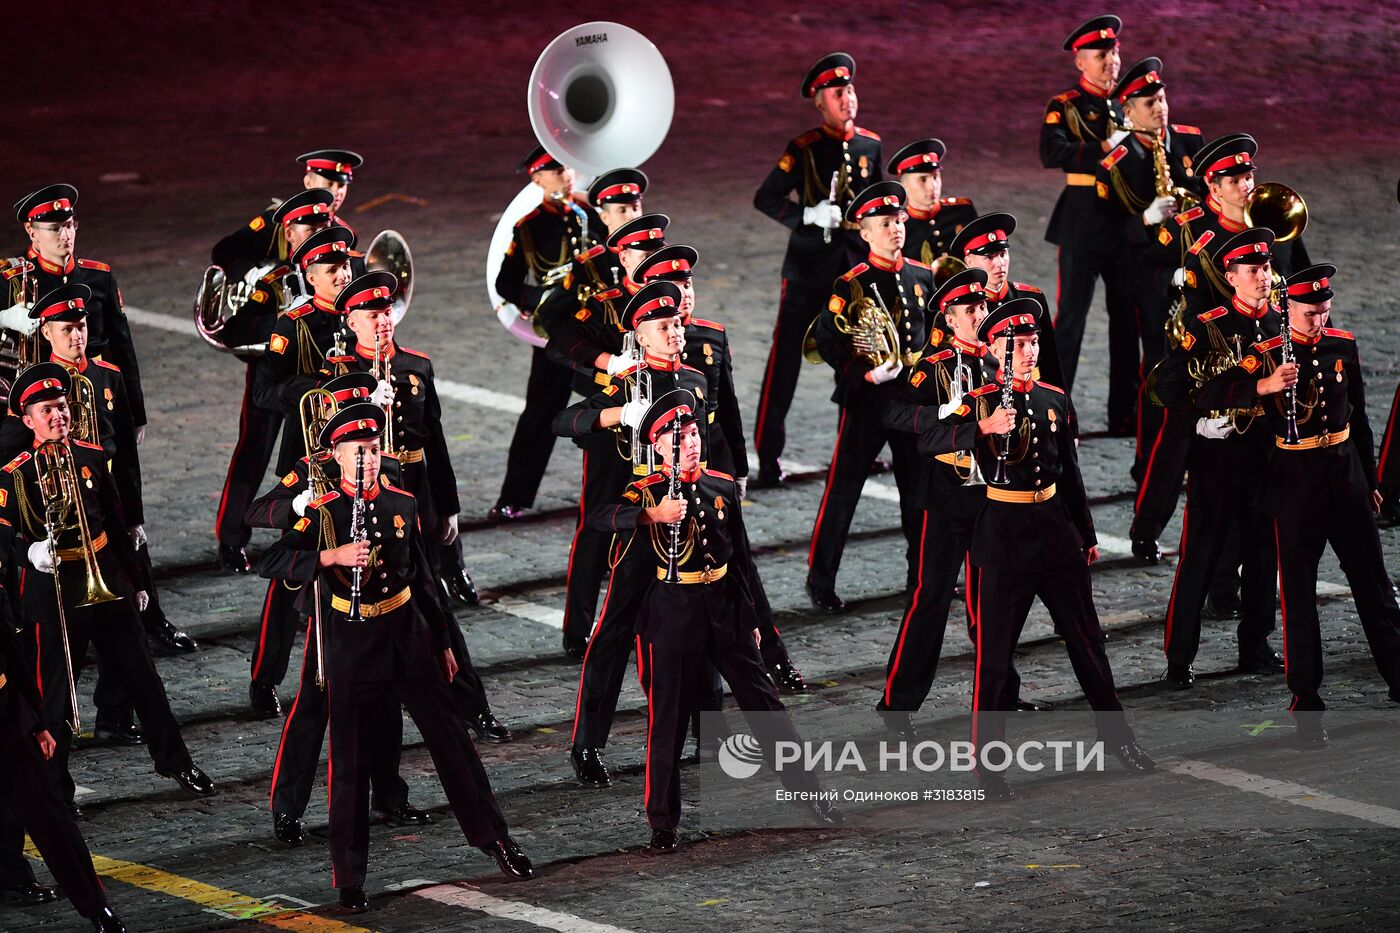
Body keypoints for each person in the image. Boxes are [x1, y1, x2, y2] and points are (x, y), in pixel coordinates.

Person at [257, 403, 532, 911]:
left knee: (453, 744)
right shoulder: (323, 512)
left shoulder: (401, 503)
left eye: (372, 449)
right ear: (336, 458)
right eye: (355, 451)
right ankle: (349, 877)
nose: (366, 458)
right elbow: (267, 560)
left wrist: (446, 644)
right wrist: (328, 556)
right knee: (349, 764)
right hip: (350, 642)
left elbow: (425, 583)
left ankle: (496, 838)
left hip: (408, 636)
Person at [607, 388, 843, 852]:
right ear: (657, 447)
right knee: (668, 723)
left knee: (767, 709)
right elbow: (602, 521)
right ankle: (663, 820)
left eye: (693, 434)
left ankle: (813, 795)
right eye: (679, 439)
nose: (690, 444)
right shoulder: (645, 493)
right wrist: (649, 514)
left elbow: (743, 563)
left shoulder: (720, 487)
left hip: (726, 613)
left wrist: (756, 620)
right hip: (674, 620)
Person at [949, 300, 1154, 799]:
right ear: (995, 349)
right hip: (1004, 540)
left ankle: (1119, 739)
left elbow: (1071, 474)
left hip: (1056, 534)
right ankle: (988, 768)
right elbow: (928, 441)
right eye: (1017, 345)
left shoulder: (1054, 399)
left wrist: (1086, 534)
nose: (1028, 350)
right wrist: (979, 428)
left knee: (1088, 641)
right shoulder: (975, 402)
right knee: (995, 659)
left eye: (1034, 342)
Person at [0, 364, 214, 812]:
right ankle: (56, 785)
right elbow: (6, 539)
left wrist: (136, 583)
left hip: (106, 581)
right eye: (47, 410)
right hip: (55, 591)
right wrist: (31, 554)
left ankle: (176, 761)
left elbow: (116, 527)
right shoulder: (15, 474)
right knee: (54, 697)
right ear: (27, 420)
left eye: (61, 407)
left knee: (144, 679)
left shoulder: (91, 456)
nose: (58, 416)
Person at [0, 284, 194, 747]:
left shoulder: (106, 377)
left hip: (102, 521)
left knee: (130, 646)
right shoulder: (23, 419)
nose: (77, 336)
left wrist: (134, 519)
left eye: (82, 326)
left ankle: (136, 729)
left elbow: (124, 455)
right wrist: (28, 551)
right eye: (66, 329)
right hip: (55, 549)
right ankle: (56, 776)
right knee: (53, 672)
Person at [246, 372, 434, 848]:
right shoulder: (312, 469)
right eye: (343, 421)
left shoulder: (383, 465)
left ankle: (389, 796)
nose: (361, 446)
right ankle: (288, 809)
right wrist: (295, 505)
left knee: (387, 708)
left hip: (382, 608)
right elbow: (255, 517)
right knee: (313, 707)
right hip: (327, 607)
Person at [1217, 265, 1400, 746]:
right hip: (1295, 489)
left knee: (1375, 588)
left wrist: (1372, 479)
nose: (1318, 321)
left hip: (1345, 483)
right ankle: (1306, 700)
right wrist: (1263, 386)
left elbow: (1357, 416)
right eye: (1309, 313)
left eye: (1324, 312)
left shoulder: (1343, 345)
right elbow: (1213, 393)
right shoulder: (1266, 355)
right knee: (1298, 599)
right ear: (1286, 309)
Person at [551, 280, 709, 787]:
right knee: (613, 635)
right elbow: (563, 421)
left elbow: (714, 444)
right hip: (638, 530)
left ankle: (709, 734)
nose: (675, 333)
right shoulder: (626, 384)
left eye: (677, 324)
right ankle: (588, 744)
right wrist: (618, 414)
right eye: (662, 328)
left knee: (702, 629)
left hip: (686, 523)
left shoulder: (697, 381)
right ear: (639, 336)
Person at [1132, 132, 1311, 564]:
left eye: (1249, 175)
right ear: (1212, 187)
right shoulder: (1188, 227)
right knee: (1174, 441)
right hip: (1206, 353)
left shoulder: (1271, 224)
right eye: (1235, 180)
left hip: (1263, 350)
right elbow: (1142, 272)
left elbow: (1301, 275)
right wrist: (1172, 282)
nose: (1246, 185)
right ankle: (1147, 526)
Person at [879, 268, 1032, 736]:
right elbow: (897, 413)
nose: (982, 315)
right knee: (931, 598)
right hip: (947, 495)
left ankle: (1002, 694)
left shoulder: (996, 362)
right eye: (971, 311)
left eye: (983, 307)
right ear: (948, 317)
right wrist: (943, 415)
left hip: (993, 493)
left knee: (996, 601)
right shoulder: (933, 364)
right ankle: (898, 703)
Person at [1156, 228, 1288, 687]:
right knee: (1201, 555)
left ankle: (1256, 644)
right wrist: (1200, 417)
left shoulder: (1281, 322)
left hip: (1266, 455)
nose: (1263, 277)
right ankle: (1179, 656)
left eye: (1267, 268)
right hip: (1217, 458)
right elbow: (1170, 386)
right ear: (1230, 277)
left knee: (1262, 554)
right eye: (1252, 271)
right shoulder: (1208, 325)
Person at [752, 52, 882, 488]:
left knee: (860, 361)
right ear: (820, 104)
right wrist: (806, 215)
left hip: (853, 271)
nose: (847, 99)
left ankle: (860, 450)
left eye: (849, 90)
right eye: (837, 93)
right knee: (785, 364)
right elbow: (766, 198)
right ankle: (768, 458)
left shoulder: (870, 145)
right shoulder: (803, 149)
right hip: (808, 271)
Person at [547, 208, 667, 658]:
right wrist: (608, 362)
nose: (648, 258)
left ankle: (652, 620)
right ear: (622, 255)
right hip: (613, 431)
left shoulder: (673, 304)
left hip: (662, 438)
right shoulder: (605, 303)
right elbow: (561, 338)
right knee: (596, 528)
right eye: (640, 250)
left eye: (654, 250)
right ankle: (577, 630)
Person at [807, 182, 931, 612]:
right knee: (844, 492)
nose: (896, 228)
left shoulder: (922, 276)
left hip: (911, 402)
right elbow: (827, 339)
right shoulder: (852, 283)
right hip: (867, 402)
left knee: (918, 492)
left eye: (898, 221)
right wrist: (866, 373)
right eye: (885, 224)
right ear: (865, 233)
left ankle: (922, 576)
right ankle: (821, 582)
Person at [213, 187, 337, 573]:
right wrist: (282, 323)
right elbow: (233, 330)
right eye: (307, 227)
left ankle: (308, 534)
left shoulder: (337, 271)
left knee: (314, 461)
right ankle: (232, 538)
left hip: (319, 389)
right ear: (289, 234)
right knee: (253, 452)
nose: (316, 233)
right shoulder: (276, 282)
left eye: (322, 225)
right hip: (275, 377)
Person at [1094, 56, 1205, 481]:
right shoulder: (1116, 163)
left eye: (1161, 99)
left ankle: (1195, 455)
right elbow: (1105, 233)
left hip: (1196, 270)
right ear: (1128, 111)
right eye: (1148, 103)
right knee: (1159, 369)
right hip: (1149, 280)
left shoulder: (1191, 141)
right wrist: (1144, 220)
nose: (1159, 108)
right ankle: (1150, 465)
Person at [490, 146, 600, 522]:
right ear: (537, 178)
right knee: (538, 416)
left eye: (567, 166)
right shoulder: (529, 227)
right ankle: (514, 497)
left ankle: (615, 493)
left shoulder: (592, 213)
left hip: (597, 332)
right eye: (555, 169)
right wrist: (539, 298)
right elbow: (506, 283)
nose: (566, 173)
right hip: (556, 335)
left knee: (615, 411)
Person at [0, 616, 127, 931]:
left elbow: (13, 657)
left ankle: (97, 907)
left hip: (7, 721)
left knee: (52, 820)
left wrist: (39, 723)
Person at [1040, 14, 1132, 422]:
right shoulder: (1065, 107)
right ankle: (1054, 409)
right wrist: (1102, 145)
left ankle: (1124, 412)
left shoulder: (1130, 103)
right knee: (1071, 320)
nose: (1111, 60)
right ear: (1081, 62)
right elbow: (1051, 153)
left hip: (1126, 223)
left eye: (1113, 52)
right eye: (1101, 55)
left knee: (1127, 319)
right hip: (1082, 222)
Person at [1, 185, 145, 433]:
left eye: (69, 225)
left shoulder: (98, 277)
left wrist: (135, 412)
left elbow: (122, 349)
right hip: (41, 404)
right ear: (31, 232)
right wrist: (3, 318)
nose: (65, 235)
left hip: (94, 396)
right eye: (54, 229)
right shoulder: (12, 279)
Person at [251, 225, 355, 477]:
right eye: (332, 270)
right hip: (309, 452)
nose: (343, 276)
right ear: (312, 279)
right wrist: (317, 391)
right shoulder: (294, 325)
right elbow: (262, 392)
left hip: (362, 444)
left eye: (345, 266)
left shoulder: (363, 315)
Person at [949, 213, 1065, 387]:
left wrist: (1064, 409)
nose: (999, 263)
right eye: (989, 257)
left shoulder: (1031, 298)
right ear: (969, 261)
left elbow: (1051, 361)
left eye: (1003, 254)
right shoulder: (961, 308)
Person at [211, 149, 361, 283]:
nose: (337, 192)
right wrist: (251, 274)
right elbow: (225, 250)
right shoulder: (277, 222)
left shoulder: (344, 233)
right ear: (308, 183)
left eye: (342, 186)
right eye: (329, 184)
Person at [886, 138, 976, 267]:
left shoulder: (962, 211)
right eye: (923, 179)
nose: (932, 186)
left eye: (935, 177)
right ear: (904, 186)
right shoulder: (900, 226)